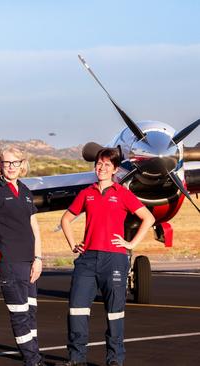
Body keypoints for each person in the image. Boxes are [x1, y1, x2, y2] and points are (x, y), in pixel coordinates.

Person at [60, 148, 155, 366]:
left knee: (114, 313)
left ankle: (114, 360)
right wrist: (73, 244)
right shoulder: (87, 193)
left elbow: (147, 218)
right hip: (87, 260)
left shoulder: (122, 193)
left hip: (114, 259)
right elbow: (66, 220)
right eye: (99, 164)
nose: (101, 168)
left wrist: (131, 244)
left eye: (106, 165)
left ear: (115, 169)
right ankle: (76, 359)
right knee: (76, 309)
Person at [0, 146, 44, 366]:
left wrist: (38, 259)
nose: (11, 167)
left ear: (22, 165)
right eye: (7, 163)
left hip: (29, 263)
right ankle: (33, 360)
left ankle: (33, 357)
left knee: (31, 313)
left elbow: (34, 228)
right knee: (20, 314)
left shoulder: (26, 191)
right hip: (8, 261)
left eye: (15, 163)